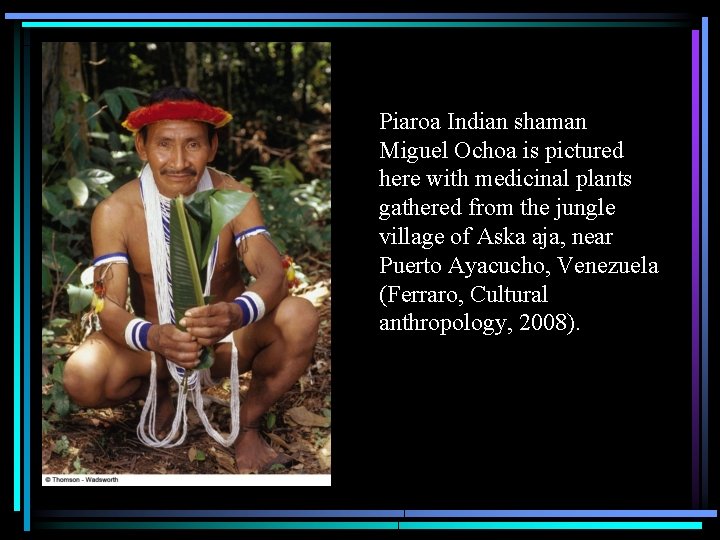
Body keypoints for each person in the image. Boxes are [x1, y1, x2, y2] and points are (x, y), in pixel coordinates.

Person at [63, 87, 319, 473]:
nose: (179, 161)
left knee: (300, 316)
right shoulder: (116, 211)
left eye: (193, 144)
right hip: (157, 347)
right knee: (82, 375)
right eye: (164, 144)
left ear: (213, 147)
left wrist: (236, 313)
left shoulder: (234, 196)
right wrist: (154, 337)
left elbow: (273, 274)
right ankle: (162, 392)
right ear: (142, 147)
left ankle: (247, 426)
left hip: (228, 342)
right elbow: (109, 308)